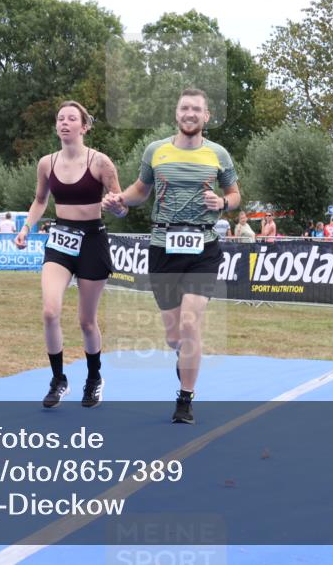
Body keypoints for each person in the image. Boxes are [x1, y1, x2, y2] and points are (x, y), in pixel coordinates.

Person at [103, 88, 241, 425]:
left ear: (207, 116)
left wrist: (223, 204)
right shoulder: (156, 150)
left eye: (197, 109)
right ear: (176, 114)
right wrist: (120, 199)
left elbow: (235, 195)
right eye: (184, 108)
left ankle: (185, 398)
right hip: (163, 247)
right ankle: (185, 354)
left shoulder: (219, 155)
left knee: (192, 322)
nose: (190, 114)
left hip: (203, 248)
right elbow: (140, 190)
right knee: (174, 336)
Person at [15, 101, 123, 409]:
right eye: (60, 118)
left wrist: (117, 206)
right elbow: (39, 200)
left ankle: (94, 378)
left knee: (87, 321)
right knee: (50, 311)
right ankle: (58, 379)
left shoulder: (101, 162)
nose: (64, 122)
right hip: (60, 242)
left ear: (84, 126)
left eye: (71, 118)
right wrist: (26, 228)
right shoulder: (46, 163)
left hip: (92, 241)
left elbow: (122, 203)